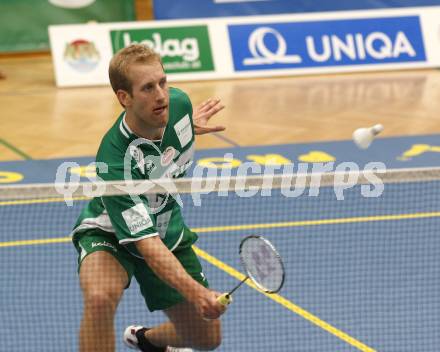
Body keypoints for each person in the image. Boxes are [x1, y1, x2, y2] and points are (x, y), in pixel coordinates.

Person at [70, 44, 227, 352]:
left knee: (207, 339)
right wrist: (197, 293)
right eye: (147, 88)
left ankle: (147, 340)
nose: (161, 95)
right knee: (100, 298)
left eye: (162, 82)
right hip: (110, 233)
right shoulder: (115, 161)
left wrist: (188, 128)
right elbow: (148, 247)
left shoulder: (178, 105)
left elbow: (171, 132)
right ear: (124, 98)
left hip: (165, 228)